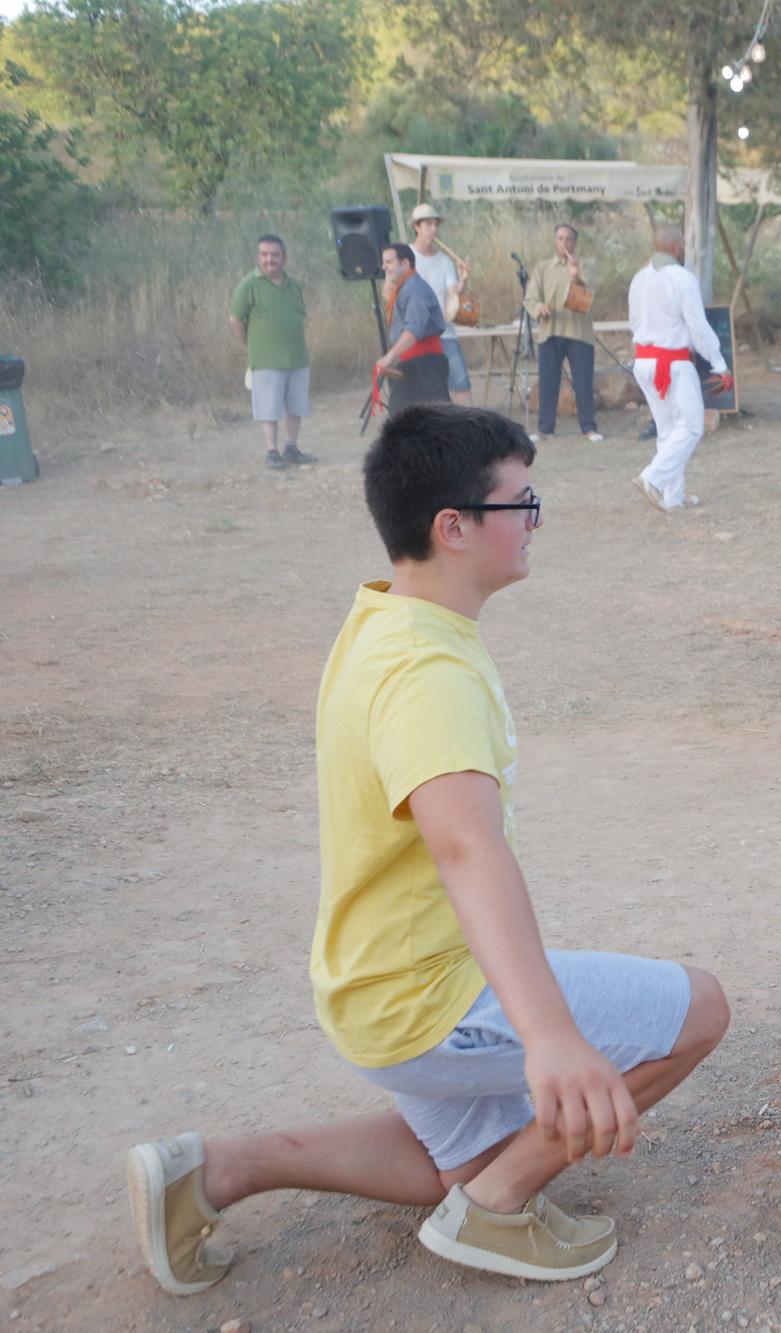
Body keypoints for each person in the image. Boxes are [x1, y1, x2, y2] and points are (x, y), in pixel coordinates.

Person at [123, 405, 730, 1296]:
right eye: (521, 502)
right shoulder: (428, 675)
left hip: (366, 982)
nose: (536, 520)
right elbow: (467, 849)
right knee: (700, 1008)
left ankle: (214, 1171)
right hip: (425, 991)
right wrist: (551, 1036)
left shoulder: (385, 619)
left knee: (460, 1158)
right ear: (453, 526)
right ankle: (497, 1211)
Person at [628, 224, 730, 513]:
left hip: (645, 361)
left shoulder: (639, 278)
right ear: (675, 247)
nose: (685, 248)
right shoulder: (682, 277)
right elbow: (697, 325)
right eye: (683, 243)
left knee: (668, 430)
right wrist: (720, 364)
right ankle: (652, 478)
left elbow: (634, 323)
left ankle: (673, 497)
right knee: (693, 426)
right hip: (672, 363)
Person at [228, 234, 314, 471]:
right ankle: (272, 451)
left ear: (283, 257)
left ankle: (292, 448)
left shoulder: (294, 285)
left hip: (297, 357)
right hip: (266, 359)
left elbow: (301, 315)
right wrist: (250, 342)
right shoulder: (249, 285)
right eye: (264, 255)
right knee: (269, 409)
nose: (269, 260)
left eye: (274, 255)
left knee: (297, 406)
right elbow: (235, 318)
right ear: (258, 257)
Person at [523, 224, 604, 444]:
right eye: (560, 238)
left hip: (579, 333)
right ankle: (545, 429)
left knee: (583, 382)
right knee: (548, 382)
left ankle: (589, 427)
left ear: (574, 243)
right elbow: (529, 299)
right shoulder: (542, 268)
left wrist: (576, 277)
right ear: (554, 241)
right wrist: (539, 307)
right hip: (550, 332)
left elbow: (585, 300)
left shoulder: (587, 266)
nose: (564, 243)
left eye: (568, 239)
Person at [409, 205, 473, 407]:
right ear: (417, 227)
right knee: (423, 388)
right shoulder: (407, 257)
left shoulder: (445, 261)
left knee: (460, 381)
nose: (434, 229)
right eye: (428, 224)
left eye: (435, 225)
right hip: (416, 334)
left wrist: (462, 280)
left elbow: (452, 297)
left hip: (444, 332)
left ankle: (471, 430)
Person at [377, 243, 452, 411]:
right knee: (401, 423)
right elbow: (387, 294)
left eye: (389, 262)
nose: (383, 267)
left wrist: (389, 357)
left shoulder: (415, 289)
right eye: (384, 262)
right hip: (412, 364)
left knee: (437, 423)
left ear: (404, 264)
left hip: (426, 364)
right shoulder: (405, 288)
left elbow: (413, 331)